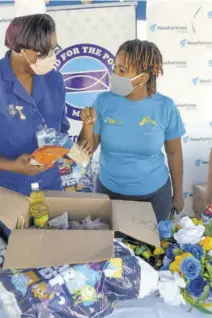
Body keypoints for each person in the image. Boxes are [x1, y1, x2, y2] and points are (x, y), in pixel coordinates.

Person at [79, 40, 185, 222]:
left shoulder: (165, 107)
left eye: (122, 70)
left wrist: (179, 194)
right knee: (112, 248)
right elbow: (86, 152)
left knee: (152, 249)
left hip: (154, 196)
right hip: (109, 193)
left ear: (143, 78)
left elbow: (174, 153)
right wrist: (87, 126)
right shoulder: (103, 102)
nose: (114, 74)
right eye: (115, 68)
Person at [0, 14, 70, 195]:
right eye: (43, 52)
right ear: (19, 48)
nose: (51, 57)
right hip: (3, 191)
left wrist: (79, 148)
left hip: (49, 187)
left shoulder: (54, 79)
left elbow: (61, 133)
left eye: (53, 49)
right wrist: (13, 166)